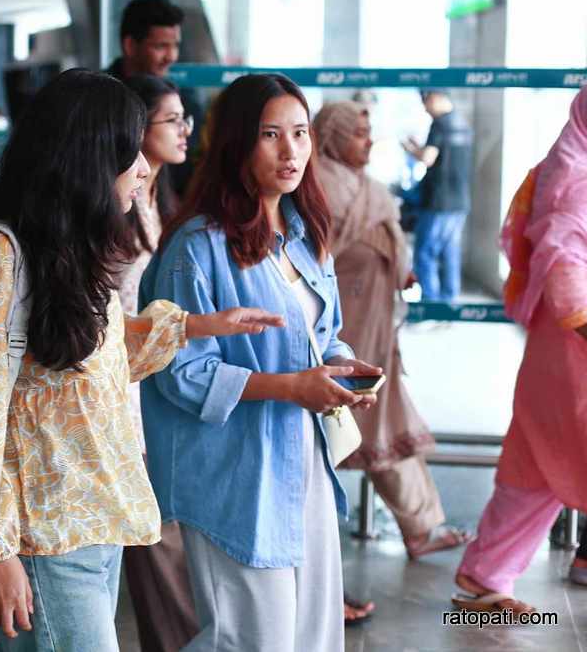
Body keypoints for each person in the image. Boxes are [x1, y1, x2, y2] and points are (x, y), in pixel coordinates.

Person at [0, 69, 282, 651]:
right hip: (42, 539)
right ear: (86, 157)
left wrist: (192, 327)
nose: (144, 168)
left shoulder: (72, 250)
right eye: (129, 151)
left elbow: (97, 368)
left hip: (93, 525)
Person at [141, 73, 383, 652]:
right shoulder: (197, 248)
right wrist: (290, 387)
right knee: (252, 640)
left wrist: (342, 368)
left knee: (315, 636)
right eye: (271, 135)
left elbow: (325, 336)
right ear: (236, 145)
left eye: (299, 133)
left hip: (304, 459)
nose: (291, 150)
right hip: (236, 475)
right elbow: (179, 371)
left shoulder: (304, 235)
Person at [314, 101, 472, 625]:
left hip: (375, 328)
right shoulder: (316, 187)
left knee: (382, 421)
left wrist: (397, 270)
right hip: (338, 334)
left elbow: (384, 243)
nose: (366, 142)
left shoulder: (364, 186)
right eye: (356, 133)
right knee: (325, 443)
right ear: (332, 137)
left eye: (368, 133)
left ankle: (420, 527)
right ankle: (326, 573)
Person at [452, 87, 587, 613]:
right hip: (575, 345)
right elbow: (564, 266)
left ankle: (485, 575)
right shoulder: (573, 179)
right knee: (546, 454)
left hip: (562, 350)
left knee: (536, 462)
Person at [116, 74, 199, 652]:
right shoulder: (112, 199)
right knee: (152, 524)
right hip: (117, 382)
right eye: (172, 120)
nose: (185, 131)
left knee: (158, 522)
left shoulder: (157, 197)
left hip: (148, 377)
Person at [104, 0, 204, 194]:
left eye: (175, 46)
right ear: (130, 46)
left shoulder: (184, 101)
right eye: (161, 46)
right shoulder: (100, 99)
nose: (172, 57)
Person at [401, 89, 474, 303]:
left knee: (425, 253)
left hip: (438, 202)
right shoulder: (462, 123)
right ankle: (449, 304)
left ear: (437, 97)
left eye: (426, 100)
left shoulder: (440, 124)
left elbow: (428, 158)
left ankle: (431, 305)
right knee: (450, 252)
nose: (425, 107)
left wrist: (409, 149)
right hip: (460, 201)